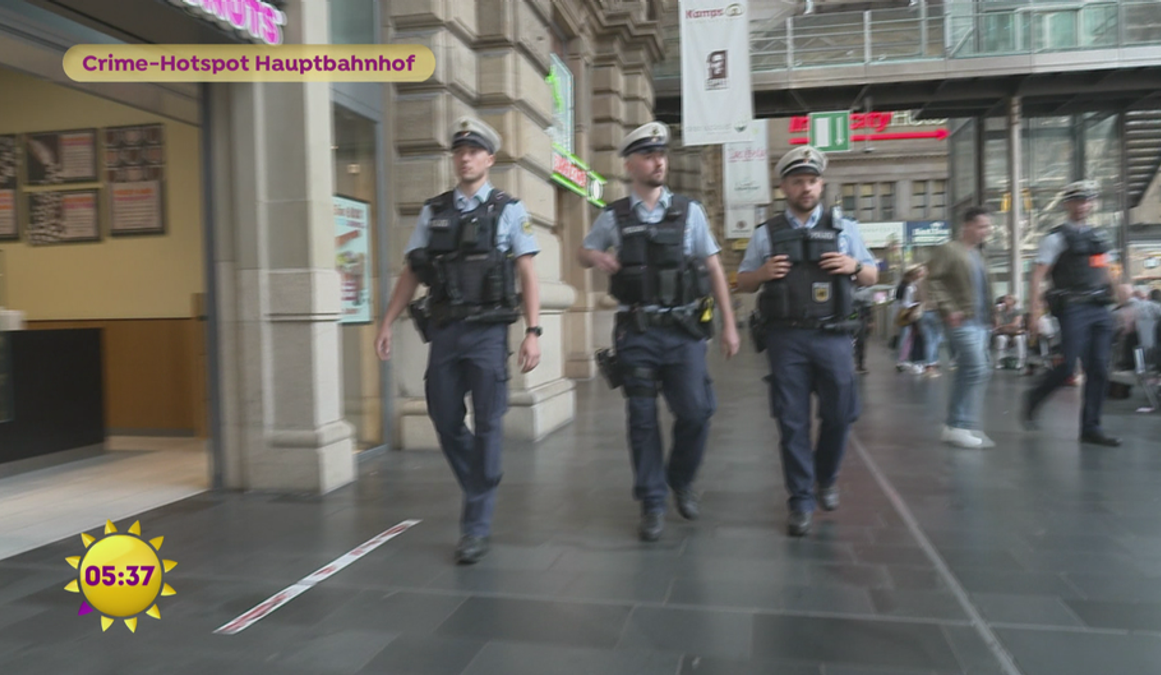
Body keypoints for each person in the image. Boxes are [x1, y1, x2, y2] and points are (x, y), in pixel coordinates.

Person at [374, 117, 542, 564]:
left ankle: (475, 529)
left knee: (488, 423)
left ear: (489, 159)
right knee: (444, 416)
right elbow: (412, 271)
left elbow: (527, 271)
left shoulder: (510, 209)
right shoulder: (434, 211)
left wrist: (533, 330)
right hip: (446, 333)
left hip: (488, 334)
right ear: (455, 158)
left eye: (474, 150)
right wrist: (387, 322)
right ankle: (484, 475)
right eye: (460, 150)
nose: (465, 157)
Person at [579, 121, 739, 543]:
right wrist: (595, 256)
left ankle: (679, 478)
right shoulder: (614, 216)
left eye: (662, 155)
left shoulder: (690, 213)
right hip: (637, 332)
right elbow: (583, 251)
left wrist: (728, 326)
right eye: (649, 156)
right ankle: (652, 502)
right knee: (643, 420)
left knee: (697, 412)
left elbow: (713, 267)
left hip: (684, 330)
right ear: (631, 165)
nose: (658, 161)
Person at [736, 145, 878, 537]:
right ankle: (800, 499)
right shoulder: (767, 234)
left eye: (812, 181)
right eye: (798, 181)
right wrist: (762, 273)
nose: (806, 188)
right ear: (783, 186)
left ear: (821, 184)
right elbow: (742, 280)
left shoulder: (844, 228)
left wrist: (855, 266)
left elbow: (872, 276)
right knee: (792, 421)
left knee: (840, 415)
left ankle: (826, 477)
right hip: (786, 338)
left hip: (833, 336)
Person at [1023, 180, 1121, 446]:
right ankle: (1035, 397)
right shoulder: (1055, 238)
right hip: (1073, 307)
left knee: (1099, 368)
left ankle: (1091, 427)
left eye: (1088, 200)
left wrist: (1124, 299)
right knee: (1067, 364)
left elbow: (1107, 271)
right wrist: (1034, 312)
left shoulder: (1097, 238)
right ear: (1067, 204)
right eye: (1078, 200)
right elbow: (1038, 276)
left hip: (1099, 307)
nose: (1083, 205)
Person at [924, 206, 996, 448]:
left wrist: (992, 315)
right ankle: (962, 424)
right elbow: (932, 279)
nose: (986, 231)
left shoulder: (978, 254)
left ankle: (958, 425)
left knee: (971, 370)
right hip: (961, 320)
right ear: (967, 225)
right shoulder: (950, 250)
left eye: (988, 226)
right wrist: (948, 308)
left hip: (980, 322)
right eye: (982, 226)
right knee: (977, 369)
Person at [993, 295, 1028, 370]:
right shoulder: (1000, 312)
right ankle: (999, 361)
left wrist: (1004, 326)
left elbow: (1015, 324)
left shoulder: (1017, 311)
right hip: (1004, 332)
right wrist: (997, 313)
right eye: (1004, 299)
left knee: (1019, 339)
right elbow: (997, 324)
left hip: (1015, 332)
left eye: (1008, 299)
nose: (1005, 300)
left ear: (1013, 302)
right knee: (1001, 339)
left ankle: (1020, 361)